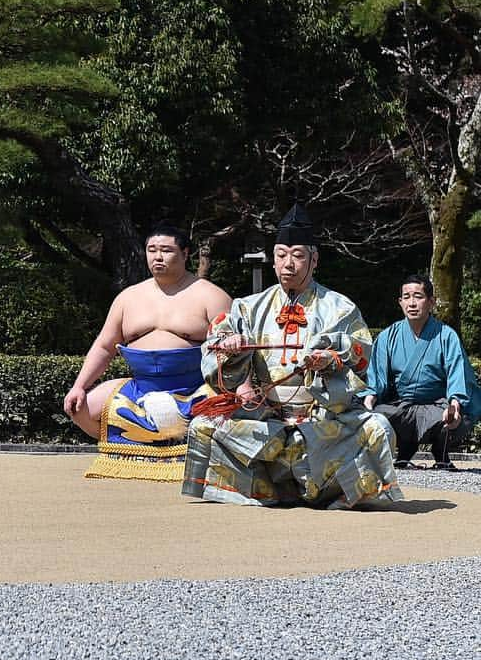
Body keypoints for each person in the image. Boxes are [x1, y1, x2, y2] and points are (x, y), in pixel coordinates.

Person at [182, 204, 401, 508]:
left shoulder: (340, 307)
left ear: (314, 260)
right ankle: (264, 491)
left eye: (298, 255)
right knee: (203, 426)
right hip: (265, 417)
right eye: (281, 255)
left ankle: (340, 496)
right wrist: (229, 346)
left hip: (322, 420)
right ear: (273, 261)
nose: (288, 264)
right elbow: (214, 348)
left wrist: (330, 358)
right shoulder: (248, 307)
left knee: (378, 428)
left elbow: (362, 355)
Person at [65, 224, 232, 480]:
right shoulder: (128, 298)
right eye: (151, 250)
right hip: (140, 387)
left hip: (194, 389)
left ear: (186, 253)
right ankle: (138, 451)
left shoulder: (211, 296)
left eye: (166, 250)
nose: (157, 256)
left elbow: (232, 351)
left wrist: (234, 388)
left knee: (230, 413)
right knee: (80, 408)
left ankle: (194, 452)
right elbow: (104, 346)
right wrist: (79, 385)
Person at [362, 274, 481, 470]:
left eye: (418, 296)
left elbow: (457, 375)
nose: (412, 303)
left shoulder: (446, 336)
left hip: (437, 406)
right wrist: (368, 404)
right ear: (400, 302)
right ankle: (405, 448)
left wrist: (455, 407)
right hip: (402, 408)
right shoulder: (386, 337)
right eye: (406, 297)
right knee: (377, 414)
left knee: (459, 417)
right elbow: (377, 380)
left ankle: (441, 451)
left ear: (431, 302)